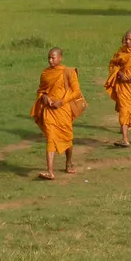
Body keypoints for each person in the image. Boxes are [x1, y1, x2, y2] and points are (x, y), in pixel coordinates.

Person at [30, 48, 83, 180]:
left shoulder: (68, 72)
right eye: (49, 58)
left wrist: (62, 101)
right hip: (49, 110)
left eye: (53, 58)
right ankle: (50, 171)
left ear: (60, 58)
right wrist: (44, 97)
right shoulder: (45, 73)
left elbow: (76, 92)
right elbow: (41, 90)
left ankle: (69, 162)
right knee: (50, 137)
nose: (50, 60)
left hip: (63, 109)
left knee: (67, 137)